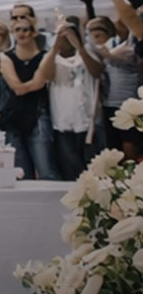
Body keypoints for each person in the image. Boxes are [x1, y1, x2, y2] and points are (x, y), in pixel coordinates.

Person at [0, 15, 59, 181]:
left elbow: (41, 81)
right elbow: (17, 87)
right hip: (13, 117)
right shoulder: (6, 57)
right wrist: (31, 84)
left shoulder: (45, 56)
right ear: (13, 33)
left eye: (26, 29)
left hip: (38, 115)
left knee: (46, 170)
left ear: (33, 33)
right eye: (18, 30)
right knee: (21, 173)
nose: (22, 33)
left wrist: (30, 85)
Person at [47, 15, 104, 179]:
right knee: (70, 167)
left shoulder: (87, 54)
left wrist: (80, 48)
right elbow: (45, 75)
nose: (66, 40)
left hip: (87, 122)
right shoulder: (52, 58)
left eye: (69, 36)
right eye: (62, 37)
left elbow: (97, 71)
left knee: (90, 166)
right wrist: (55, 47)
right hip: (62, 122)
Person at [88, 15, 142, 158]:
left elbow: (111, 56)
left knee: (130, 144)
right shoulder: (111, 44)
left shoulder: (131, 45)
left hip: (129, 102)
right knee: (114, 146)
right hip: (108, 102)